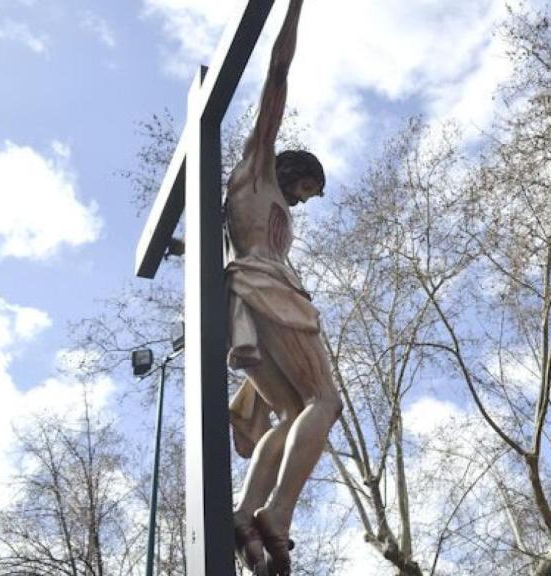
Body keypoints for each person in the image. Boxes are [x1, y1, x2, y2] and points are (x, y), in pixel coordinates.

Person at [223, 1, 342, 574]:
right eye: (305, 189)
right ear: (293, 170)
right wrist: (292, 9)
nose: (302, 200)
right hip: (269, 292)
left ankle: (244, 513)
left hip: (252, 298)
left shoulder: (261, 199)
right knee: (325, 402)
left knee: (295, 411)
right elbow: (277, 74)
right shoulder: (256, 171)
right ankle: (278, 514)